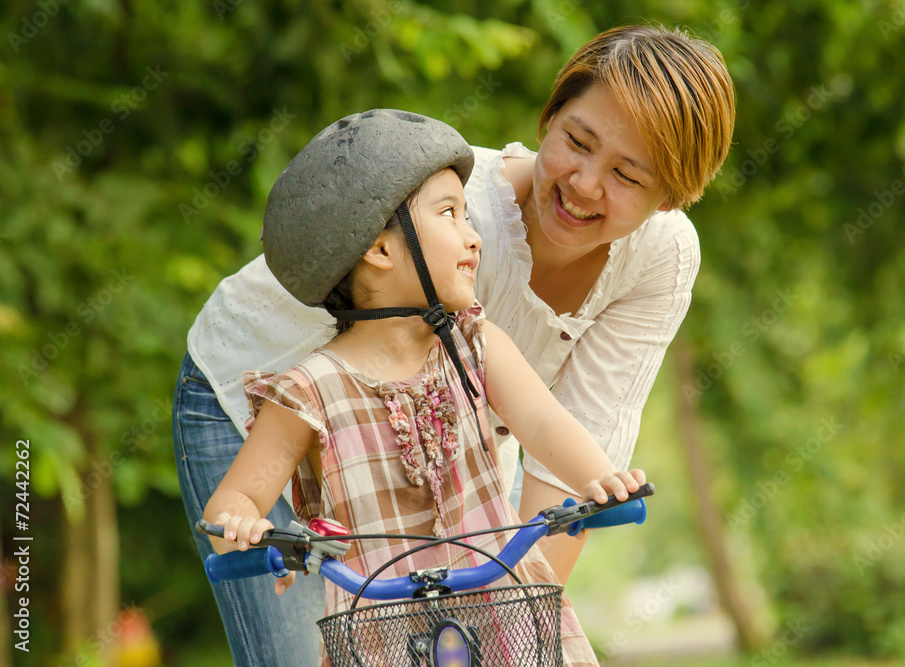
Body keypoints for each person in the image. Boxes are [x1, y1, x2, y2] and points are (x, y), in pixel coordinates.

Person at [173, 23, 734, 667]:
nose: (583, 184)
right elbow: (261, 482)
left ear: (671, 197)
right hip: (265, 402)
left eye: (627, 176)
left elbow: (567, 434)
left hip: (423, 437)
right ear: (549, 120)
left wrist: (516, 628)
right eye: (576, 142)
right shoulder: (455, 218)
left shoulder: (649, 263)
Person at [202, 109, 643, 666]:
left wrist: (599, 482)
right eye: (450, 215)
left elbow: (543, 423)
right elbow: (233, 502)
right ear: (380, 250)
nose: (474, 236)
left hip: (501, 612)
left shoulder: (475, 345)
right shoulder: (309, 392)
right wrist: (249, 530)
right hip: (381, 636)